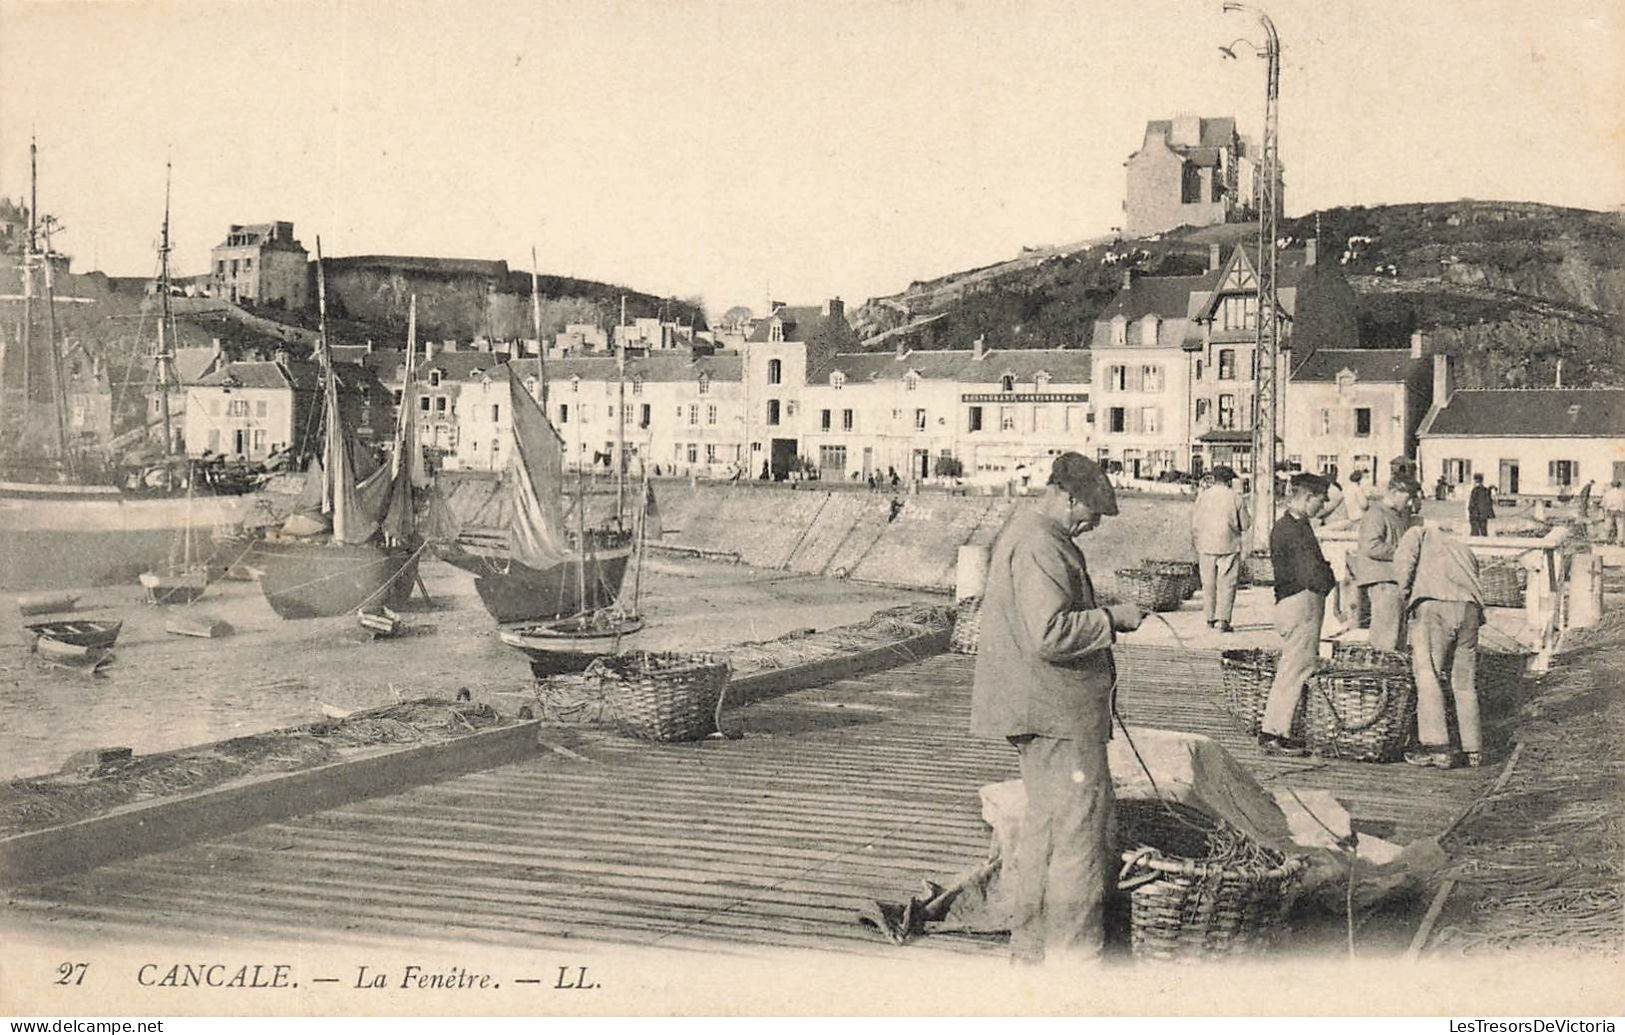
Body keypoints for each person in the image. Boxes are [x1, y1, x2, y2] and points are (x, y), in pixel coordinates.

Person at [970, 452, 1142, 964]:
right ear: (1067, 497)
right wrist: (1113, 618)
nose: (1093, 524)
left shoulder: (1027, 533)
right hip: (1058, 715)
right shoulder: (1043, 543)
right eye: (1092, 512)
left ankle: (1032, 949)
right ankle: (1075, 959)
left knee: (1044, 834)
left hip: (1041, 712)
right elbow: (1050, 634)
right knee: (1079, 838)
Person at [1258, 473, 1336, 757]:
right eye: (1320, 500)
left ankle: (1276, 730)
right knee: (1297, 669)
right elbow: (1310, 572)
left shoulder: (1289, 525)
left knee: (1291, 668)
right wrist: (1329, 580)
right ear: (1306, 498)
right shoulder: (1295, 529)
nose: (1322, 506)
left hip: (1291, 602)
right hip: (1301, 602)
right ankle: (1278, 733)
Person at [1395, 522, 1484, 770]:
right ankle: (1473, 749)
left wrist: (1404, 597)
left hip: (1434, 605)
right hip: (1470, 609)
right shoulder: (1460, 545)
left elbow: (1404, 564)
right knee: (1464, 682)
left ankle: (1438, 749)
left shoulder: (1416, 533)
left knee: (1428, 675)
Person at [1353, 480, 1418, 651]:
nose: (1410, 503)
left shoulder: (1395, 515)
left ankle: (1392, 674)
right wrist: (1403, 552)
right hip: (1383, 582)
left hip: (1395, 582)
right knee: (1386, 639)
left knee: (1397, 636)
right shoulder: (1376, 514)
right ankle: (1383, 674)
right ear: (1394, 491)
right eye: (1408, 497)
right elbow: (1371, 546)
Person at [1190, 464, 1248, 633]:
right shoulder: (1236, 498)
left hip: (1206, 545)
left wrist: (1198, 540)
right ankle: (1222, 620)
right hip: (1229, 544)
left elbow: (1195, 523)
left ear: (1213, 479)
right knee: (1227, 584)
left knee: (1208, 584)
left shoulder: (1203, 496)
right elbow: (1245, 524)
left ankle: (1209, 618)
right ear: (1229, 480)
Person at [1467, 474, 1495, 538]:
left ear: (1476, 481)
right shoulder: (1486, 490)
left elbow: (1472, 503)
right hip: (1483, 514)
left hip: (1476, 514)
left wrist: (1470, 511)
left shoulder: (1475, 490)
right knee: (1484, 532)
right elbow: (1489, 502)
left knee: (1474, 532)